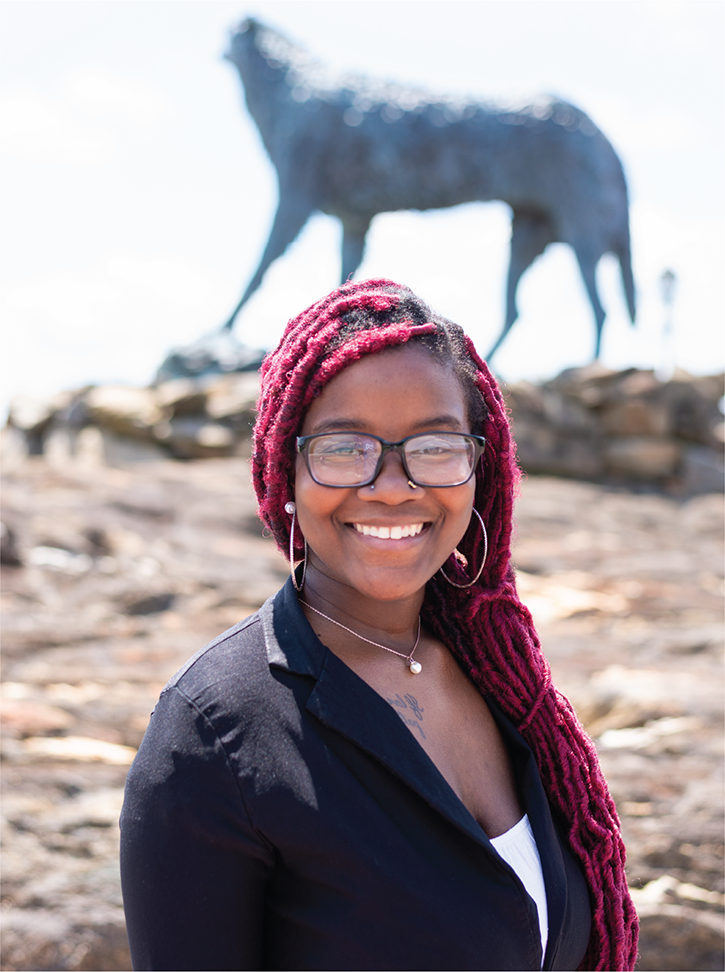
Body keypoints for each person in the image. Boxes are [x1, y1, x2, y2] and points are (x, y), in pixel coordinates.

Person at [120, 279, 638, 971]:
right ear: (285, 471)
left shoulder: (503, 679)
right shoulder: (213, 735)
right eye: (342, 448)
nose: (392, 485)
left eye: (434, 445)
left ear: (480, 469)